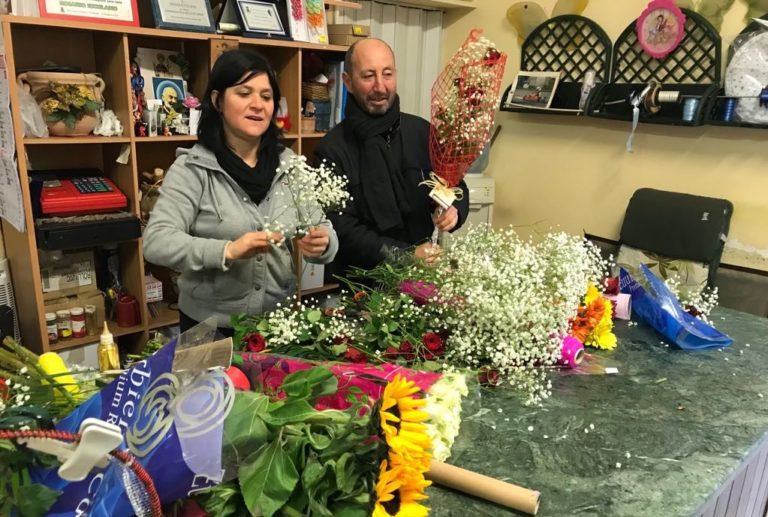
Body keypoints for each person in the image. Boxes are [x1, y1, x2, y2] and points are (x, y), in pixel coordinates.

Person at [144, 49, 338, 334]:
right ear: (218, 100)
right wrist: (227, 250)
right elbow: (157, 242)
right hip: (209, 327)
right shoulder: (193, 168)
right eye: (244, 93)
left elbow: (322, 227)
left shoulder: (290, 166)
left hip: (278, 325)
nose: (257, 105)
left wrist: (323, 243)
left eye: (266, 96)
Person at [314, 38, 470, 281]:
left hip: (424, 275)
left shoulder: (422, 132)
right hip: (362, 285)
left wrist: (454, 210)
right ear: (348, 82)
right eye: (368, 76)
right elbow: (342, 228)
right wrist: (405, 256)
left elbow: (455, 184)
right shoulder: (331, 150)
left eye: (387, 74)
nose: (380, 86)